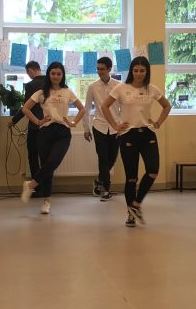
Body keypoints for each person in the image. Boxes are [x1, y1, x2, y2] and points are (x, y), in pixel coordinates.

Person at [101, 56, 172, 227]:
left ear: (147, 72)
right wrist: (115, 125)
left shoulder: (151, 89)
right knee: (131, 178)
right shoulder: (121, 88)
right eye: (136, 70)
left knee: (153, 171)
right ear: (131, 71)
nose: (139, 73)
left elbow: (167, 106)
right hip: (128, 135)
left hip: (147, 134)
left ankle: (136, 204)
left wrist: (158, 122)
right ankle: (130, 214)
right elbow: (104, 106)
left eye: (142, 71)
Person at [19, 62, 85, 215]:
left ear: (63, 75)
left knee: (53, 161)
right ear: (49, 74)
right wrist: (37, 121)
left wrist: (73, 122)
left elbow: (82, 109)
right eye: (53, 73)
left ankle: (31, 185)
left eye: (59, 74)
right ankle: (46, 201)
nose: (56, 76)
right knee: (46, 165)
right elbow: (25, 108)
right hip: (45, 132)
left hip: (63, 132)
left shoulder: (67, 91)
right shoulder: (41, 92)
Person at [82, 56, 120, 201]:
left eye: (102, 69)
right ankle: (106, 189)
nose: (99, 72)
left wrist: (123, 125)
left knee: (112, 158)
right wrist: (86, 128)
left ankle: (99, 180)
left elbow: (124, 107)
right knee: (103, 158)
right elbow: (86, 109)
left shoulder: (118, 86)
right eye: (97, 69)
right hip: (99, 126)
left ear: (109, 69)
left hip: (115, 127)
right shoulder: (93, 87)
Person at [11, 61, 47, 181]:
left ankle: (37, 185)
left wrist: (14, 121)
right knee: (46, 157)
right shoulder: (51, 82)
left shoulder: (31, 85)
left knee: (33, 155)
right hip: (49, 126)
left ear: (30, 70)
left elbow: (26, 108)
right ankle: (47, 185)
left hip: (35, 126)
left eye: (28, 73)